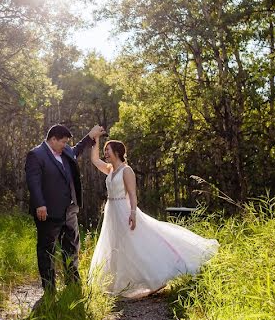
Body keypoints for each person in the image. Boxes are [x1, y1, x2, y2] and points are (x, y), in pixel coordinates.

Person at [88, 139, 218, 299]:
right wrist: (96, 139)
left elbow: (133, 194)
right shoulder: (110, 169)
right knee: (116, 245)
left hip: (123, 210)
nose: (105, 153)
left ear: (117, 152)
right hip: (111, 212)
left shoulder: (126, 170)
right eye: (105, 150)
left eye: (107, 150)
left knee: (135, 243)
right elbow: (94, 160)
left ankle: (160, 274)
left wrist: (133, 213)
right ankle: (118, 283)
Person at [25, 123, 107, 293]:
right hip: (48, 212)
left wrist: (90, 136)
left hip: (70, 211)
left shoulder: (66, 151)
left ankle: (73, 285)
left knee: (72, 248)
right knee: (47, 250)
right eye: (62, 142)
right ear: (53, 139)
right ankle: (50, 289)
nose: (65, 145)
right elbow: (33, 182)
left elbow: (78, 148)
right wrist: (40, 204)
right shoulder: (36, 155)